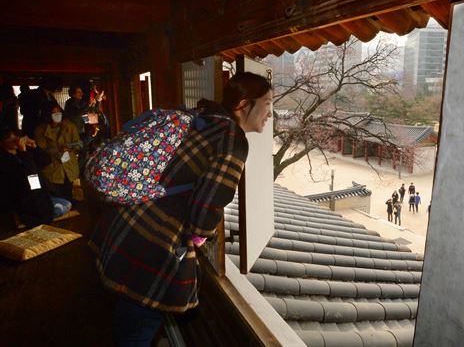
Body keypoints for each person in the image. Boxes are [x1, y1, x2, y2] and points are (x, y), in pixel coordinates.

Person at [88, 72, 273, 346]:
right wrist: (200, 237)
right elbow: (206, 210)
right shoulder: (232, 141)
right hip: (153, 244)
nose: (271, 112)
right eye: (267, 103)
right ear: (245, 104)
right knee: (138, 328)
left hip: (127, 221)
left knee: (128, 317)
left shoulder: (206, 117)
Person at [0, 128, 72, 228]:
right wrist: (24, 152)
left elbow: (46, 161)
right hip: (25, 197)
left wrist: (35, 147)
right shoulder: (5, 159)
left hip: (38, 191)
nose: (15, 140)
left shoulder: (22, 151)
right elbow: (28, 174)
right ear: (2, 143)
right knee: (57, 210)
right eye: (10, 138)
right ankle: (22, 219)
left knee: (67, 204)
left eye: (16, 137)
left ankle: (31, 217)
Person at [33, 103, 82, 202]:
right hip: (52, 168)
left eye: (58, 111)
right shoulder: (40, 130)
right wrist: (57, 150)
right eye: (53, 112)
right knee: (56, 197)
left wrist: (70, 147)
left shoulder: (69, 126)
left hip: (69, 166)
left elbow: (79, 144)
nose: (57, 114)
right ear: (47, 114)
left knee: (69, 195)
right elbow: (41, 150)